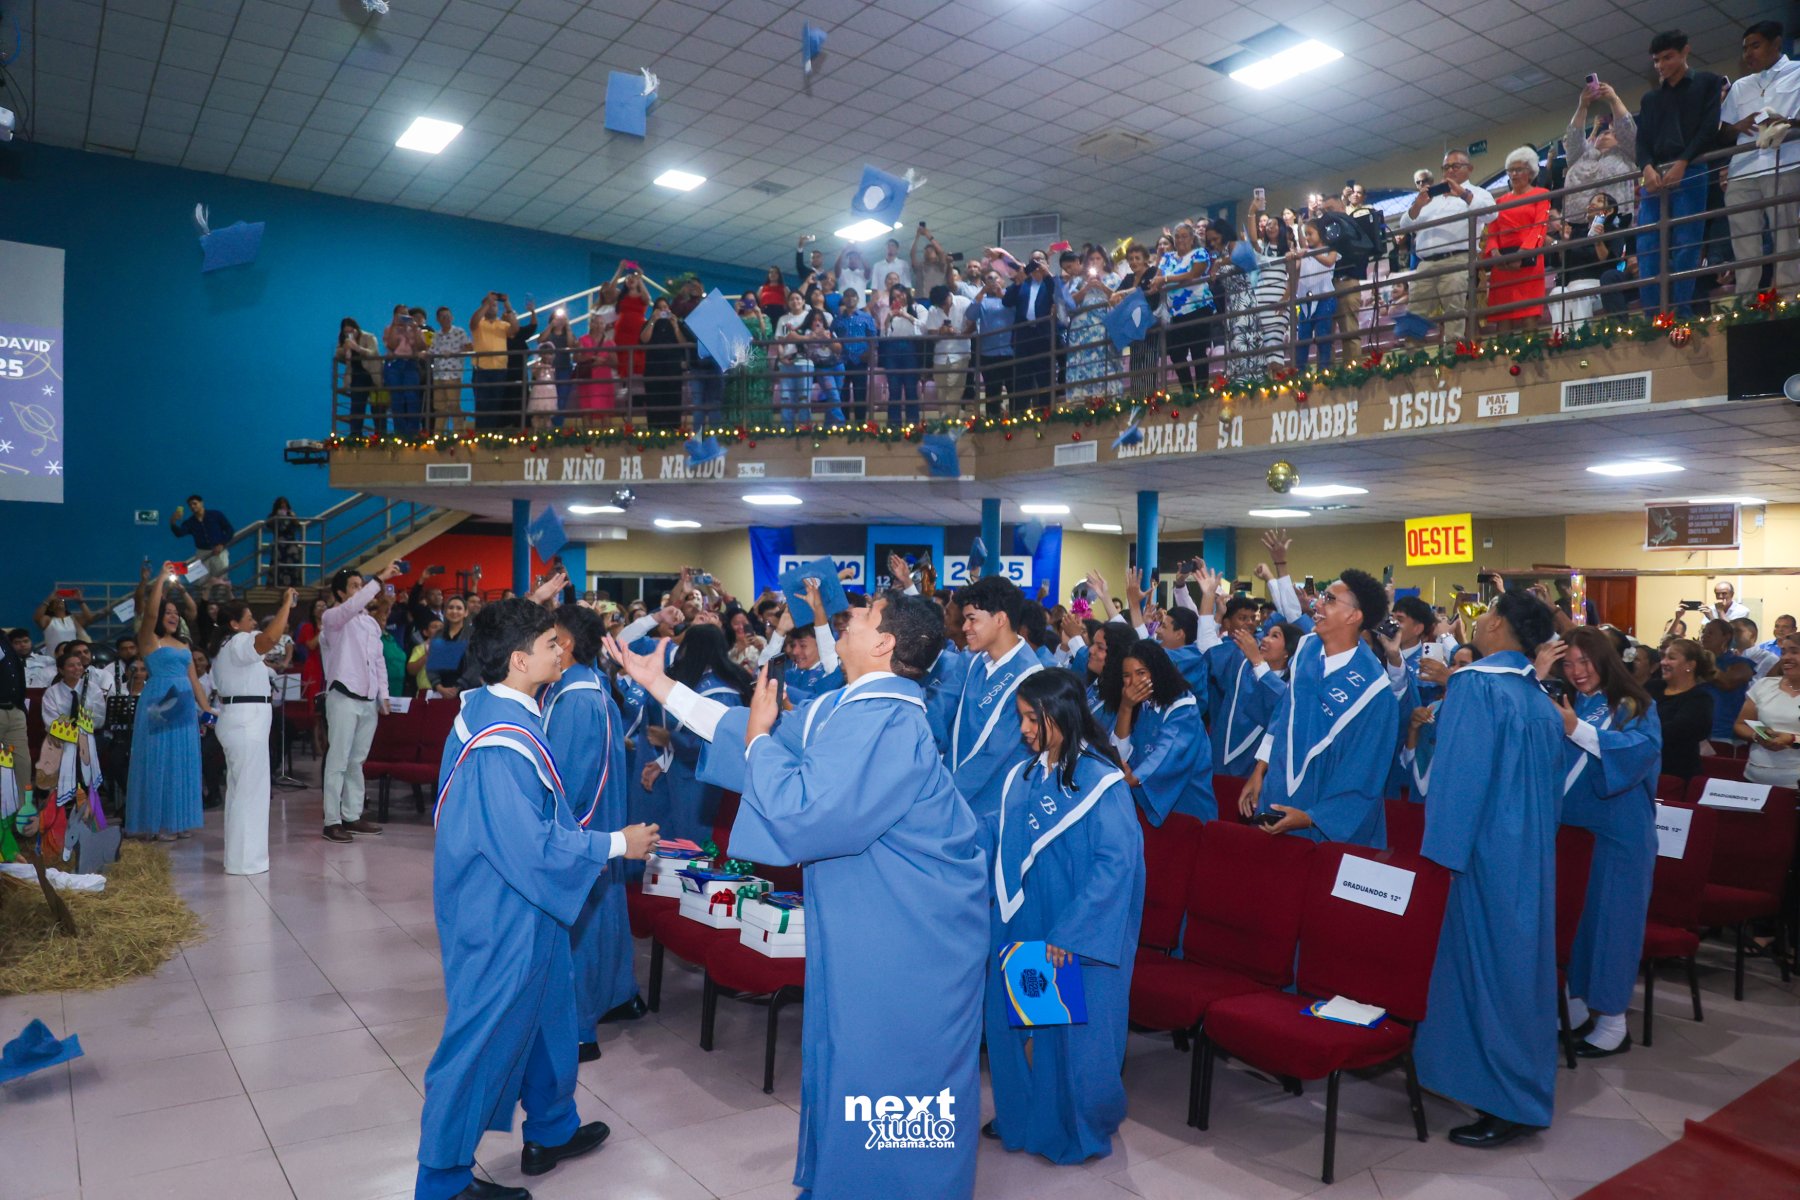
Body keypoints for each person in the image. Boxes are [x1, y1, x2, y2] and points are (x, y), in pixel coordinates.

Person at [607, 591, 987, 1200]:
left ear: (885, 642)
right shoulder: (848, 705)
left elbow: (804, 807)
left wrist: (759, 741)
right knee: (851, 1060)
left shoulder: (887, 720)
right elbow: (746, 725)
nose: (847, 618)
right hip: (872, 920)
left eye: (864, 614)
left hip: (910, 936)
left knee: (892, 1073)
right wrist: (662, 687)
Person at [414, 600, 658, 1200]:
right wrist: (615, 843)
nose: (561, 649)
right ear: (520, 660)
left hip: (529, 906)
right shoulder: (500, 743)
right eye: (551, 643)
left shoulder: (502, 706)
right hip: (500, 911)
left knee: (551, 1017)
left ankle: (551, 1129)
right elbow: (530, 843)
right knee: (481, 1040)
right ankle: (440, 1180)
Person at [1415, 589, 1564, 1149]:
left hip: (1482, 854)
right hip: (1530, 854)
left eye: (1485, 615)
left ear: (1498, 624)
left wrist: (1440, 856)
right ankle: (1520, 1089)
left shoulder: (1476, 686)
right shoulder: (1536, 696)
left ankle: (1504, 1099)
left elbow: (1459, 780)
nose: (1477, 623)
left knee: (1483, 974)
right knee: (1520, 972)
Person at [981, 669, 1141, 1163]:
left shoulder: (1102, 781)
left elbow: (1116, 864)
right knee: (1023, 1024)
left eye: (1033, 718)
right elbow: (1001, 833)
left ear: (1062, 714)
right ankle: (1027, 1117)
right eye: (1021, 718)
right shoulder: (1024, 774)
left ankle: (1075, 1127)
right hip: (1026, 918)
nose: (1024, 729)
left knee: (1074, 1038)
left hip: (1071, 928)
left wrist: (1073, 931)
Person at [1542, 627, 1662, 1058]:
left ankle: (1613, 1023)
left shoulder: (1634, 705)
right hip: (1574, 835)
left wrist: (1576, 729)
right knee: (1576, 926)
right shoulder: (1568, 701)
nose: (1577, 671)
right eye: (1568, 663)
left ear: (1604, 659)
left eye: (1585, 661)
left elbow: (1639, 752)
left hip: (1618, 836)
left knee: (1613, 926)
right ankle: (1575, 1010)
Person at [541, 604, 643, 1058]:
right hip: (604, 820)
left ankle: (579, 1027)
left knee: (580, 924)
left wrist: (551, 832)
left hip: (583, 827)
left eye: (548, 638)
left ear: (564, 644)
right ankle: (620, 995)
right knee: (606, 912)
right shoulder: (590, 686)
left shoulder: (576, 700)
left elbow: (564, 782)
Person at [1237, 570, 1399, 848]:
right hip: (1278, 787)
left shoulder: (1375, 690)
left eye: (1330, 599)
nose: (1317, 604)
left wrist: (1313, 817)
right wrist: (1260, 769)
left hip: (1325, 814)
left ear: (1353, 616)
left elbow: (1364, 771)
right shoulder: (1306, 649)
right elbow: (1283, 715)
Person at [1634, 30, 1727, 316]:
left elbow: (1709, 129)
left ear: (1685, 51)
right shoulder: (1651, 99)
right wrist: (1647, 167)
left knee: (1687, 244)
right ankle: (1654, 316)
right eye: (1656, 60)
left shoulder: (1707, 82)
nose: (1661, 65)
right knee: (1648, 246)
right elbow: (1642, 141)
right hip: (1656, 174)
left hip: (1692, 169)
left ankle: (1681, 313)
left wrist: (1683, 162)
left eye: (1667, 58)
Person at [124, 565, 213, 841]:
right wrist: (161, 578)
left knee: (182, 760)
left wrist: (207, 709)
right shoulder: (150, 640)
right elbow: (149, 613)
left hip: (183, 703)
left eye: (176, 613)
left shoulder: (184, 645)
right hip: (160, 700)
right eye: (168, 612)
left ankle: (178, 820)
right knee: (160, 759)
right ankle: (160, 822)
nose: (173, 616)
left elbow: (195, 681)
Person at [941, 575, 1040, 818]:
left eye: (972, 619)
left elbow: (993, 753)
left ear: (1000, 619)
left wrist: (943, 795)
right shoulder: (975, 661)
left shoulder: (1029, 677)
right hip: (956, 793)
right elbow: (941, 708)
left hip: (992, 808)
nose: (965, 627)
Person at [643, 623, 752, 844]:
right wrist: (664, 761)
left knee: (700, 846)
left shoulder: (721, 691)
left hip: (705, 787)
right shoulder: (701, 683)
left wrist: (669, 738)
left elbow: (719, 743)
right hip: (686, 778)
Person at [213, 590, 296, 876]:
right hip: (246, 720)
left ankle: (240, 858)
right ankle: (246, 861)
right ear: (234, 624)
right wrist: (286, 604)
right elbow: (270, 639)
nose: (254, 623)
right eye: (249, 618)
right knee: (250, 792)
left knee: (242, 791)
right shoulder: (239, 641)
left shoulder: (230, 645)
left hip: (242, 718)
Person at [320, 562, 401, 843]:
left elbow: (378, 661)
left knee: (357, 761)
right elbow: (350, 608)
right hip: (343, 696)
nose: (360, 591)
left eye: (361, 585)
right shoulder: (333, 618)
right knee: (338, 761)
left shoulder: (369, 623)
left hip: (367, 700)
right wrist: (379, 579)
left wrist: (383, 695)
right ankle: (332, 820)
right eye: (354, 586)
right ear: (341, 593)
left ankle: (351, 815)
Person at [1722, 22, 1800, 301]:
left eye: (1755, 46)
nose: (1748, 54)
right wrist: (1736, 126)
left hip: (1785, 164)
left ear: (1776, 44)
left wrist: (1787, 123)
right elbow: (1722, 131)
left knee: (1785, 235)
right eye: (1745, 49)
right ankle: (1745, 303)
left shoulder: (1798, 72)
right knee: (1743, 242)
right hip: (1742, 170)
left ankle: (1790, 300)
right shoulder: (1740, 86)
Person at [1103, 638, 1213, 823]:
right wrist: (1125, 708)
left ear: (1157, 672)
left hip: (1187, 807)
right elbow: (1119, 754)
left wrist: (1134, 779)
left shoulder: (1183, 707)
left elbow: (1168, 752)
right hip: (1142, 803)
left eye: (1141, 673)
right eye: (1127, 675)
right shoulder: (1137, 703)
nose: (1133, 682)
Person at [1398, 149, 1496, 345]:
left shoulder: (1478, 193)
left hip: (1457, 259)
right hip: (1425, 264)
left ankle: (1453, 356)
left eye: (1455, 166)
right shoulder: (1430, 198)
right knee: (1414, 312)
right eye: (1446, 167)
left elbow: (1491, 215)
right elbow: (1404, 225)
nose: (1450, 170)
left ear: (1469, 169)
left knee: (1454, 312)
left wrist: (1463, 194)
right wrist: (1417, 205)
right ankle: (1410, 358)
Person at [1481, 148, 1552, 329]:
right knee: (1503, 318)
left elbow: (1540, 226)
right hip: (1502, 263)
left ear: (1530, 172)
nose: (1514, 174)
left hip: (1528, 260)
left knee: (1529, 314)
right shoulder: (1499, 202)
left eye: (1519, 169)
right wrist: (1495, 254)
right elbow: (1492, 231)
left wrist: (1522, 254)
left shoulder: (1542, 194)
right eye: (1511, 170)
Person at [1562, 80, 1640, 221]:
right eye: (1601, 134)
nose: (1604, 135)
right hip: (1577, 223)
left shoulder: (1625, 155)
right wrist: (1582, 106)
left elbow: (1627, 129)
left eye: (1610, 133)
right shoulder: (1580, 156)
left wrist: (1614, 99)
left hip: (1613, 220)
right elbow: (1574, 136)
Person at [1648, 637, 1716, 779]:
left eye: (1671, 658)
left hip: (1675, 774)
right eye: (1663, 657)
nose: (1663, 662)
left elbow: (1675, 731)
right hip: (1644, 768)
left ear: (1690, 665)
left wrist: (1640, 728)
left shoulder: (1700, 699)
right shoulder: (1652, 687)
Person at [1737, 634, 1800, 787]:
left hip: (1795, 783)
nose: (1786, 657)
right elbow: (1741, 724)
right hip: (1754, 778)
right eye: (1783, 652)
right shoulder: (1764, 685)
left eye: (1794, 651)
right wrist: (1758, 736)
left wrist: (1792, 739)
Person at [637, 296, 688, 431]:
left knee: (673, 400)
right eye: (659, 308)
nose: (663, 311)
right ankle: (655, 431)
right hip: (653, 369)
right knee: (654, 401)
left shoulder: (676, 323)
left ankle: (674, 430)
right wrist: (653, 321)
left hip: (673, 369)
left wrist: (675, 326)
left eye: (665, 307)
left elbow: (683, 343)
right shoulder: (649, 323)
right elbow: (644, 339)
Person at [383, 303, 429, 436]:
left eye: (406, 314)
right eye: (401, 314)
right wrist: (394, 326)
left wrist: (415, 329)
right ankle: (400, 432)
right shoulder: (389, 329)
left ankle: (413, 432)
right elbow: (391, 345)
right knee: (396, 398)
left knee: (412, 396)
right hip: (395, 364)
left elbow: (422, 346)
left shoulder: (415, 329)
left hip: (411, 363)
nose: (404, 317)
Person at [336, 317, 383, 437]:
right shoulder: (344, 340)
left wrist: (357, 347)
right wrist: (345, 349)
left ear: (356, 329)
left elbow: (373, 352)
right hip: (356, 376)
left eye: (351, 331)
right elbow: (338, 354)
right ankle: (356, 435)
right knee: (357, 405)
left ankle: (380, 435)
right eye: (346, 332)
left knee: (377, 407)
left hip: (372, 375)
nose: (349, 334)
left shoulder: (369, 337)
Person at [169, 494, 235, 578]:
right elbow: (179, 533)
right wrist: (172, 522)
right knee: (199, 580)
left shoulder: (216, 515)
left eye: (195, 503)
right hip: (201, 553)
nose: (192, 506)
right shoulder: (190, 522)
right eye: (190, 505)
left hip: (219, 552)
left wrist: (222, 544)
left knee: (221, 579)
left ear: (201, 503)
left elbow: (230, 530)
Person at [429, 306, 471, 433]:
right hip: (438, 375)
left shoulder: (459, 332)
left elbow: (469, 347)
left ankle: (459, 433)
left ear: (452, 317)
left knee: (454, 405)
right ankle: (438, 435)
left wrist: (454, 353)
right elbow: (431, 351)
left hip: (453, 374)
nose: (446, 319)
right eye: (443, 317)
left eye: (448, 316)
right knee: (439, 407)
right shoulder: (436, 335)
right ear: (438, 319)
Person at [33, 590, 97, 652]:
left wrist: (80, 601)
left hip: (70, 656)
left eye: (62, 600)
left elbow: (89, 618)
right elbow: (37, 618)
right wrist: (48, 600)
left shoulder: (72, 619)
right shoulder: (48, 620)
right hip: (52, 657)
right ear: (50, 608)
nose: (60, 601)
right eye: (55, 601)